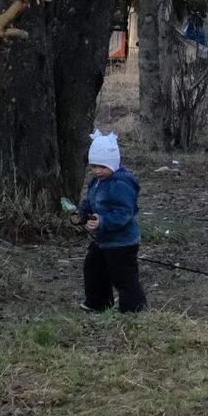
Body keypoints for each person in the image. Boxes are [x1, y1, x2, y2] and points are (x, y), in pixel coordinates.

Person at [77, 130, 147, 313]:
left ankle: (133, 309)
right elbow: (91, 203)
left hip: (122, 242)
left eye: (102, 166)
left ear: (113, 163)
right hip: (103, 240)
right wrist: (82, 214)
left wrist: (103, 221)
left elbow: (124, 213)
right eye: (94, 166)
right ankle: (98, 302)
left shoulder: (120, 184)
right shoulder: (97, 182)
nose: (97, 170)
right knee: (94, 269)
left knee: (123, 276)